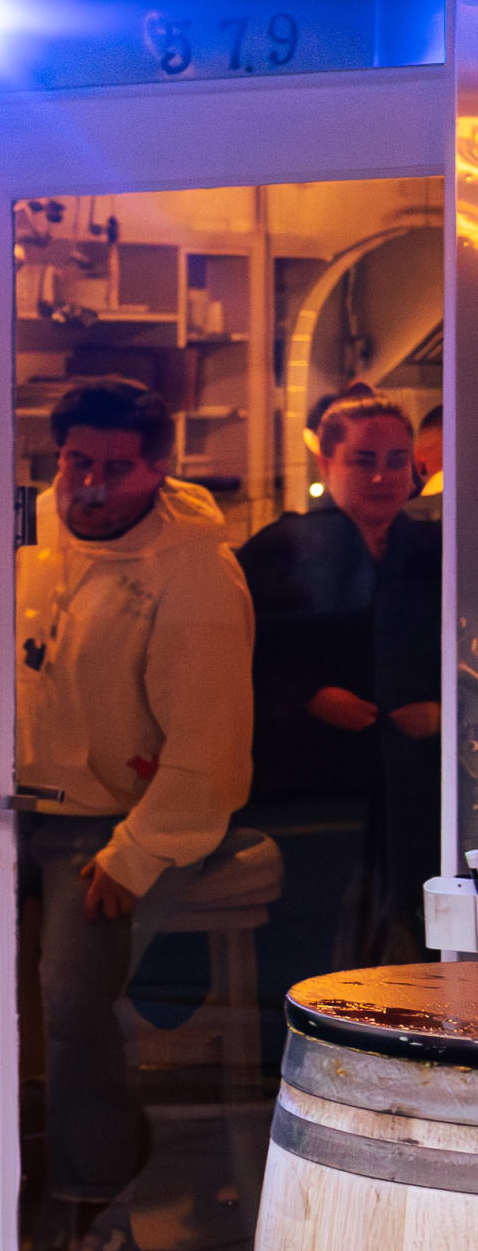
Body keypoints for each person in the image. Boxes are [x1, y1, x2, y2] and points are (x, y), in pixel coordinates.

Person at [16, 375, 254, 1251]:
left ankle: (91, 1193)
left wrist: (136, 854)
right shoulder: (21, 532)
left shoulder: (190, 568)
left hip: (109, 823)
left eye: (117, 468)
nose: (91, 485)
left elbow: (212, 741)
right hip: (1, 807)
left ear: (158, 468)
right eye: (78, 461)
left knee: (75, 1003)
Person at [237, 392, 436, 1005]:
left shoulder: (438, 550)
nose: (381, 475)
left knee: (421, 942)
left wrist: (445, 706)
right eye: (363, 459)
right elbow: (230, 658)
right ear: (325, 462)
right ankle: (296, 1077)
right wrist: (305, 695)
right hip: (309, 791)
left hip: (417, 791)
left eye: (396, 459)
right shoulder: (282, 547)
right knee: (302, 942)